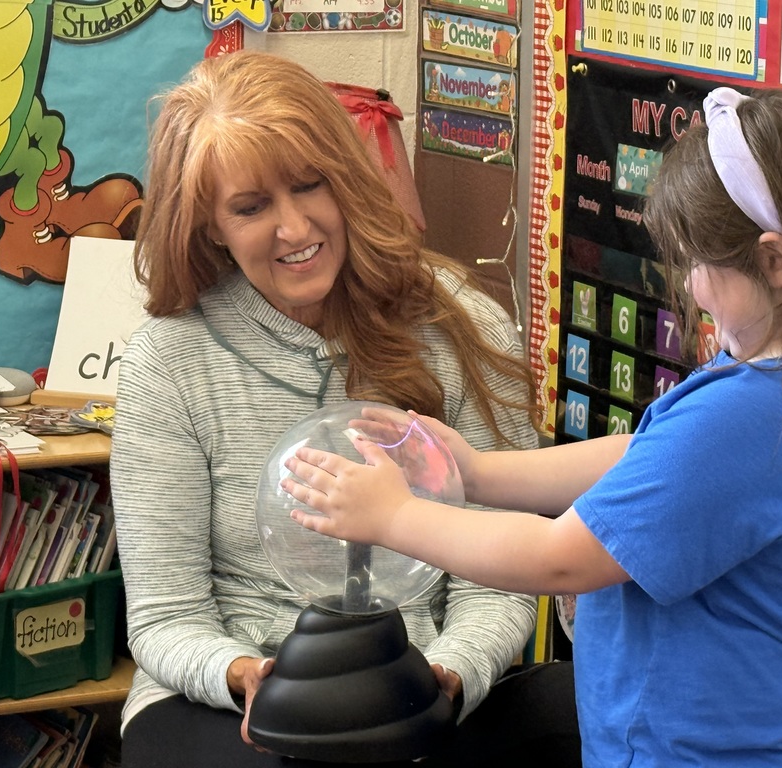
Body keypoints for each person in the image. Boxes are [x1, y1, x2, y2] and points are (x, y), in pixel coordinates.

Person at [286, 86, 782, 767]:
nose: (694, 290)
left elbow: (557, 557)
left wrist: (392, 517)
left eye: (699, 264)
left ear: (776, 261)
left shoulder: (753, 416)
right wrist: (480, 472)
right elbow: (649, 458)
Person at [109, 50, 580, 768]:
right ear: (210, 225)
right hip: (229, 705)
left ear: (347, 178)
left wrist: (443, 680)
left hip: (420, 690)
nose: (294, 229)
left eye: (309, 186)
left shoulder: (462, 328)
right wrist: (249, 679)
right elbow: (167, 618)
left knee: (572, 710)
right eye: (251, 206)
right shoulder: (169, 363)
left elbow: (495, 583)